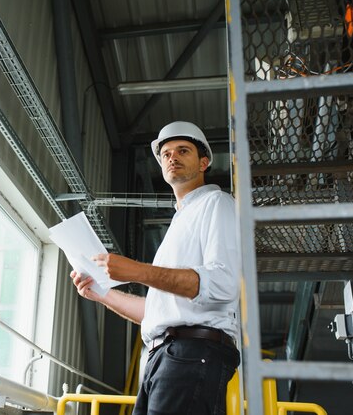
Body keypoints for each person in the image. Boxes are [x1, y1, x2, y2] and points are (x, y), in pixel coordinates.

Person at [71, 121, 240, 415]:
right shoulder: (181, 221)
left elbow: (224, 283)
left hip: (192, 353)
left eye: (182, 150)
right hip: (163, 356)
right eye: (165, 154)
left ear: (204, 162)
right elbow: (157, 312)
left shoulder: (217, 203)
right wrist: (100, 293)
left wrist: (136, 270)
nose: (172, 157)